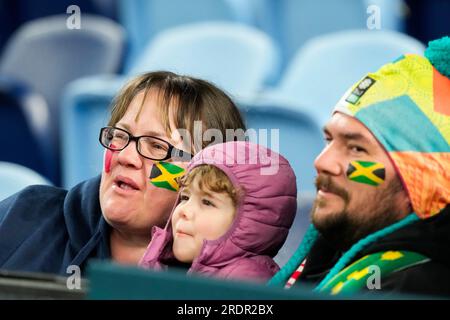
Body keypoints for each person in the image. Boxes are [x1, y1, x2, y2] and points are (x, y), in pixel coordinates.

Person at [0, 71, 246, 275]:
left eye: (157, 147)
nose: (126, 157)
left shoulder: (227, 282)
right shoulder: (25, 214)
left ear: (210, 179)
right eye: (120, 136)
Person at [269, 36, 450, 297]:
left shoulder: (416, 286)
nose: (322, 162)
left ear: (423, 179)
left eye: (356, 149)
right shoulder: (332, 247)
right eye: (329, 140)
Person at [139, 141, 297, 282]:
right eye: (185, 197)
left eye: (207, 202)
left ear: (248, 223)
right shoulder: (172, 267)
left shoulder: (244, 281)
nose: (184, 210)